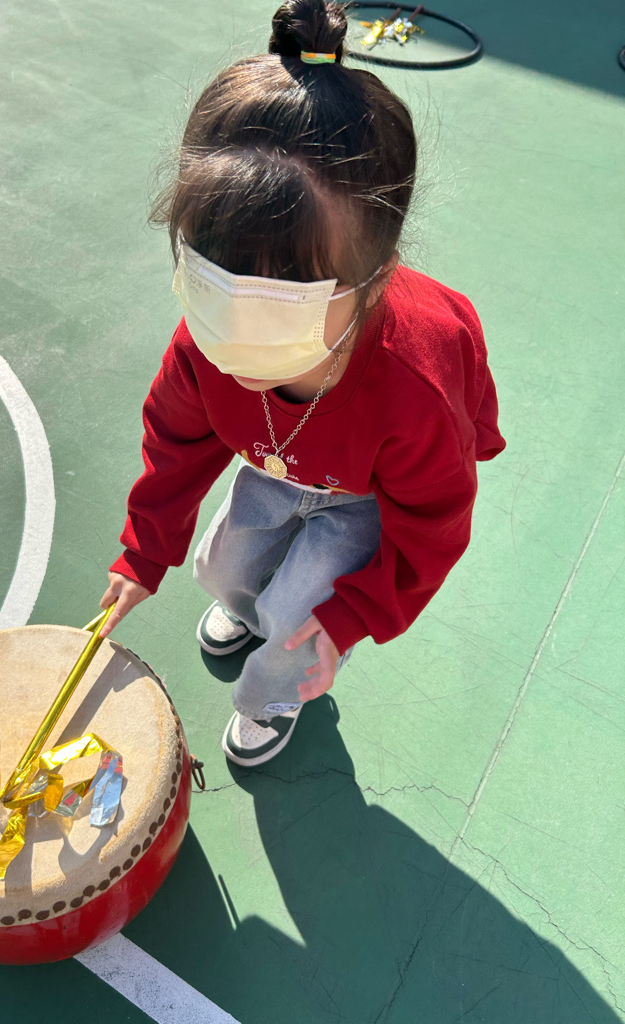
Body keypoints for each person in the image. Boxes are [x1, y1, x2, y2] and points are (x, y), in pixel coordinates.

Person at [98, 0, 505, 767]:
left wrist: (352, 615)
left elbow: (434, 521)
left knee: (297, 626)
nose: (235, 337)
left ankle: (271, 698)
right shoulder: (203, 346)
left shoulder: (412, 384)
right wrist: (142, 554)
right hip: (278, 464)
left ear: (374, 281)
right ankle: (251, 614)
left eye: (280, 302)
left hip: (364, 495)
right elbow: (176, 444)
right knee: (223, 570)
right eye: (212, 286)